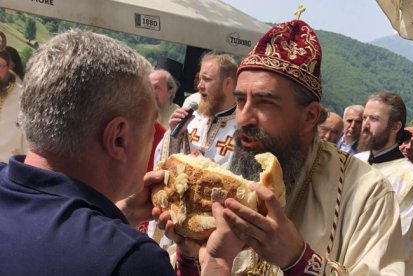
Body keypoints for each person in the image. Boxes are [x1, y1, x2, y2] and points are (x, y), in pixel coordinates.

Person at [158, 19, 405, 275]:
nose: (244, 118)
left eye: (265, 103)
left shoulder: (368, 193)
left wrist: (297, 259)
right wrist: (189, 255)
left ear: (309, 116)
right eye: (241, 100)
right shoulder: (231, 173)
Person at [0, 30, 176, 275]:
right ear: (118, 138)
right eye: (150, 127)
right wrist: (217, 262)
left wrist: (120, 215)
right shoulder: (132, 260)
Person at [355, 92, 413, 275]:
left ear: (395, 127)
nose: (366, 125)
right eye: (365, 118)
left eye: (374, 119)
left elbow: (400, 243)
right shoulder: (355, 160)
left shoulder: (409, 179)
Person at [155, 53, 238, 166]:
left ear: (228, 83)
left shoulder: (243, 130)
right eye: (199, 79)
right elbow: (162, 163)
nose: (199, 85)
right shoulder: (191, 118)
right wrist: (174, 135)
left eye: (206, 79)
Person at [0, 48, 27, 162]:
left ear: (9, 67)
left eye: (0, 65)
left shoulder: (22, 97)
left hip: (6, 168)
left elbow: (27, 140)